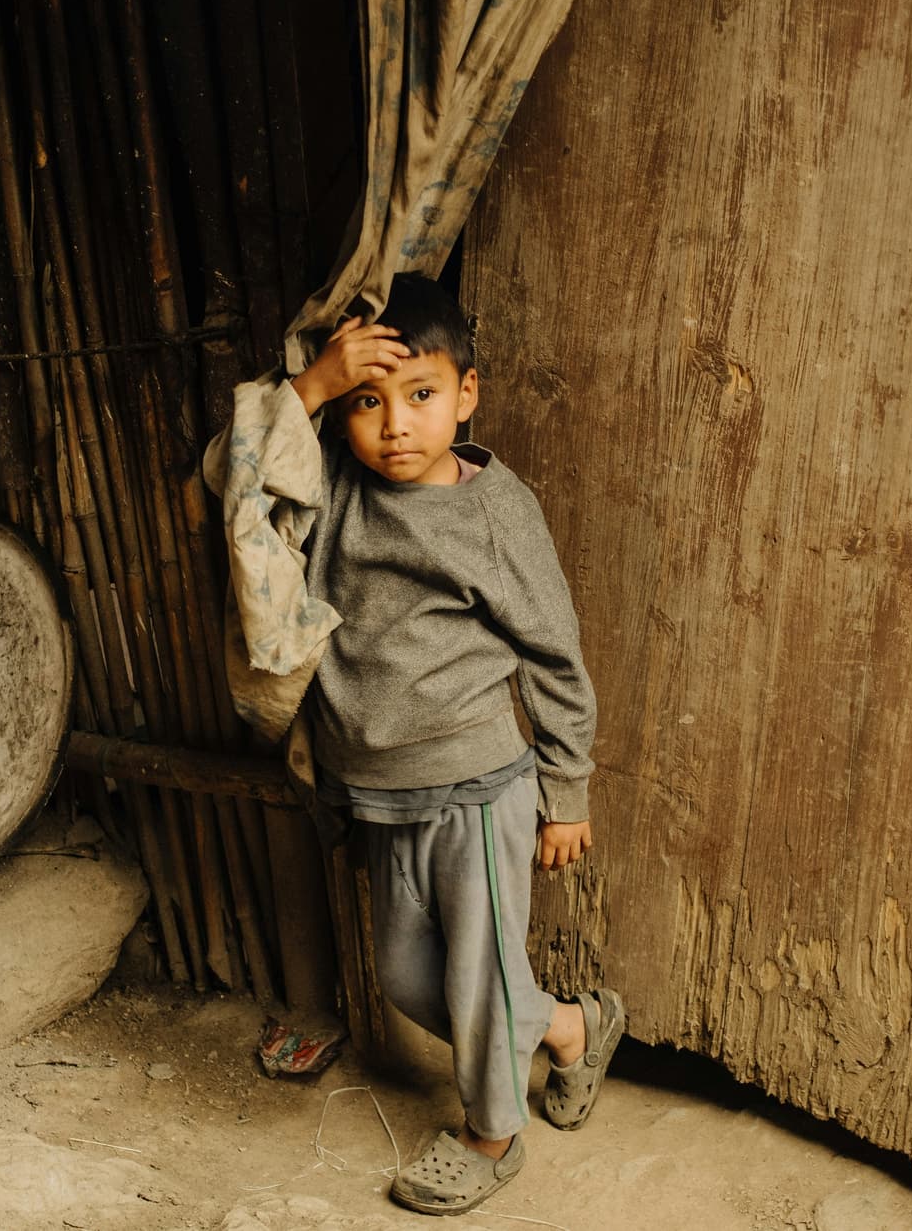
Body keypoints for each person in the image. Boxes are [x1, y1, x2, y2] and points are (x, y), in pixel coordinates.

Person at [236, 274, 624, 1215]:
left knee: (480, 979)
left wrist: (566, 788)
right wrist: (316, 387)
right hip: (377, 792)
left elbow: (555, 655)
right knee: (417, 981)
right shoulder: (332, 482)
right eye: (370, 401)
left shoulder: (493, 514)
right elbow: (234, 471)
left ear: (467, 394)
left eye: (421, 395)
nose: (396, 425)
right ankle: (572, 1028)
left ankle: (492, 1133)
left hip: (477, 787)